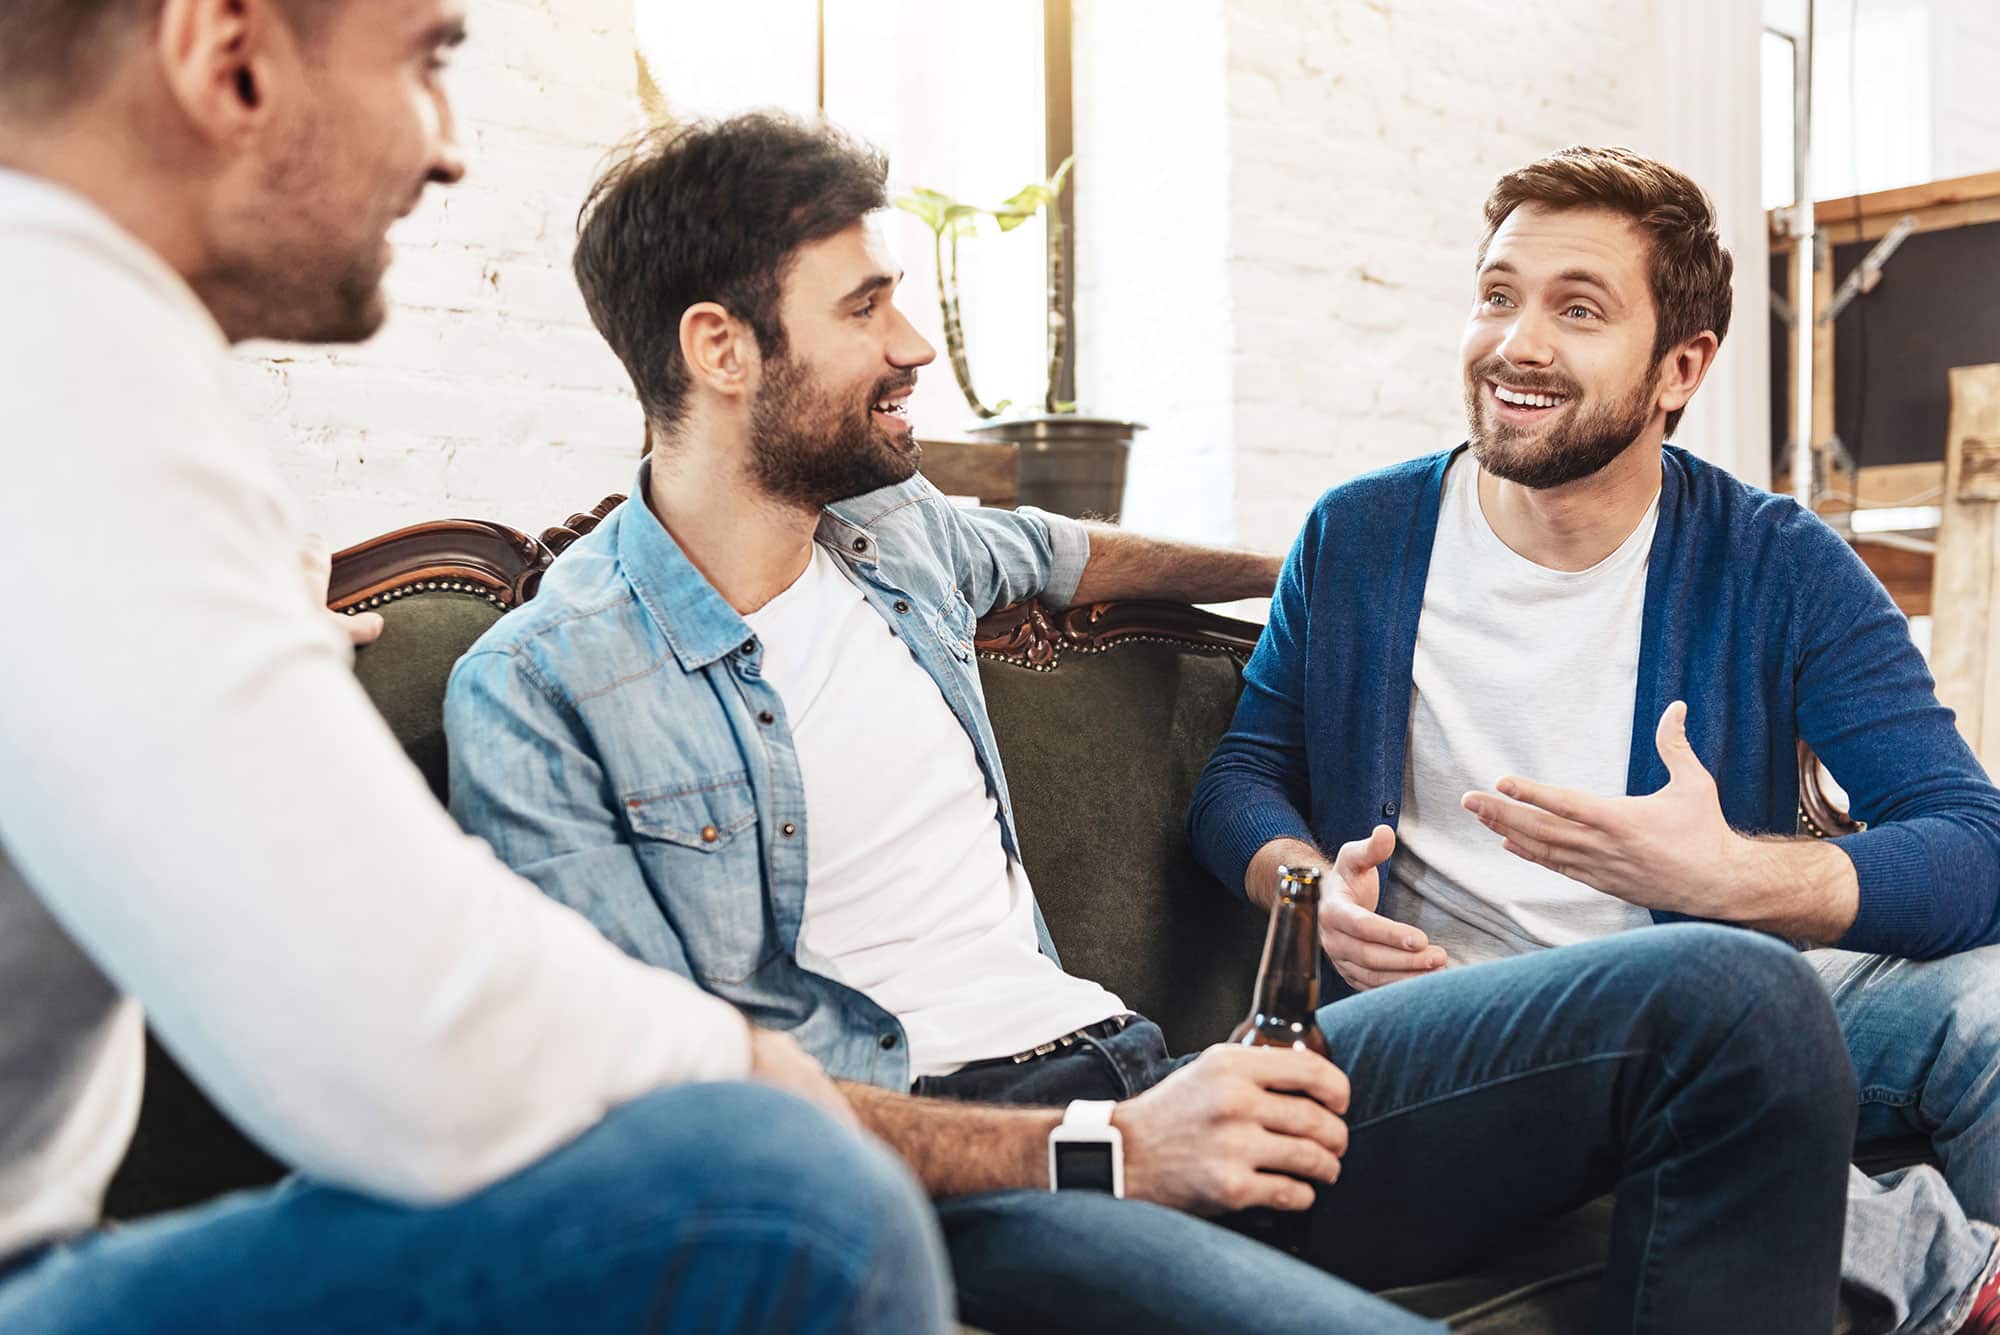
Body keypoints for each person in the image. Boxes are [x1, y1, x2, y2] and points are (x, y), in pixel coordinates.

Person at [445, 112, 1860, 1335]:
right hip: (959, 1180)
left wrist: (1311, 567)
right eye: (866, 306)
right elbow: (669, 1112)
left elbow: (1082, 556)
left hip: (1160, 1072)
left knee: (1738, 1001)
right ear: (721, 348)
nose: (916, 344)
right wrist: (1103, 1147)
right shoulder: (545, 690)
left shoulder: (896, 538)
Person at [0, 2, 953, 1331]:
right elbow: (400, 1041)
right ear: (230, 59)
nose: (448, 149)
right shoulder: (60, 360)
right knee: (777, 1198)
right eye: (426, 61)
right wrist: (740, 1059)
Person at [1187, 144, 2000, 1335]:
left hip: (1725, 999)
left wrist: (1730, 874)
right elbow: (1244, 775)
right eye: (1496, 295)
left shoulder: (1774, 563)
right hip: (1440, 1027)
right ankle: (1940, 1272)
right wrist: (1307, 891)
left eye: (1576, 310)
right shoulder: (1358, 537)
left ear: (1680, 367)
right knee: (1709, 1049)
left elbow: (1971, 845)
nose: (1515, 342)